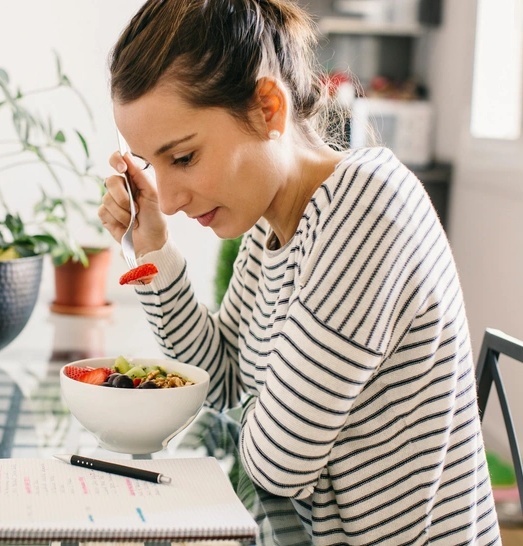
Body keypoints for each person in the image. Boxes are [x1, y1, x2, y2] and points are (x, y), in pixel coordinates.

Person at [98, 0, 501, 544]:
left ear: (268, 107)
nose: (166, 200)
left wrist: (267, 415)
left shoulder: (366, 207)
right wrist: (152, 252)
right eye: (151, 165)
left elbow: (277, 462)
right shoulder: (270, 235)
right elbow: (219, 383)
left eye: (185, 157)